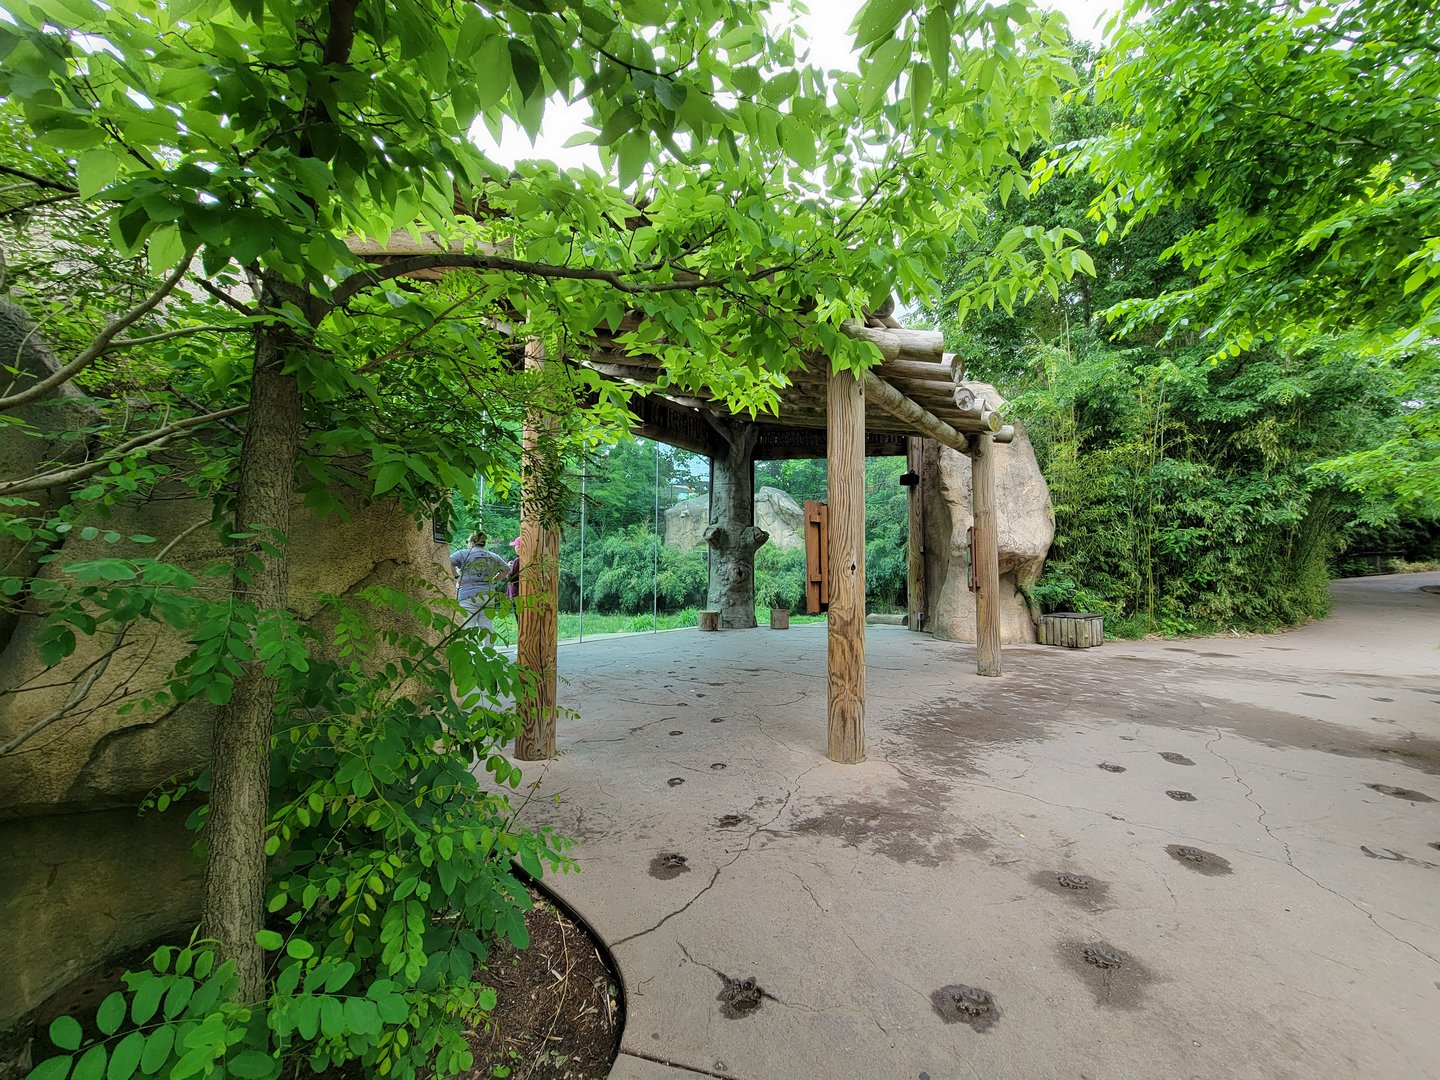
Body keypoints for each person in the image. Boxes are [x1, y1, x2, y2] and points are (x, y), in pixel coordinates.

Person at [450, 531, 510, 632]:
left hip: (467, 595)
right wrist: (494, 580)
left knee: (467, 626)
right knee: (487, 626)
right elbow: (506, 570)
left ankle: (469, 647)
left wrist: (457, 577)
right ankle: (489, 647)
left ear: (471, 542)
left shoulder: (463, 554)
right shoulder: (493, 556)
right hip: (488, 594)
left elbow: (448, 562)